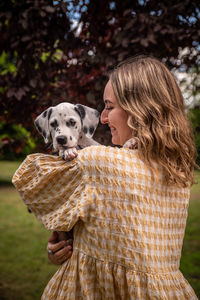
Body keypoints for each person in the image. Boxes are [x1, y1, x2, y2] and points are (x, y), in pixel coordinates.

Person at [13, 55, 198, 299]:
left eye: (109, 107)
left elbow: (29, 179)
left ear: (139, 110)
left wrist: (56, 248)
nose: (102, 118)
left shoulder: (97, 163)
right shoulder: (178, 172)